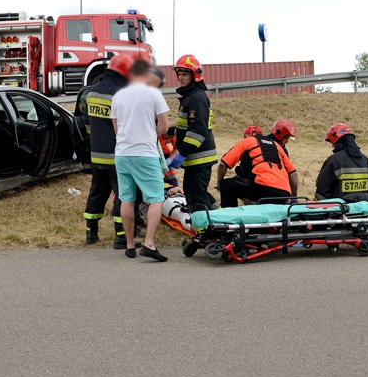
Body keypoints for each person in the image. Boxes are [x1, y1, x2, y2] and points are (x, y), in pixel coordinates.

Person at [110, 59, 171, 262]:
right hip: (144, 152)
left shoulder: (118, 96)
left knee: (126, 199)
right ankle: (149, 244)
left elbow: (117, 130)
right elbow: (164, 126)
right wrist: (149, 133)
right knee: (156, 198)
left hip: (122, 153)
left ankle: (129, 245)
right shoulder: (154, 94)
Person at [83, 53, 134, 249]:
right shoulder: (121, 95)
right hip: (117, 155)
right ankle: (121, 237)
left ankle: (91, 233)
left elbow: (88, 124)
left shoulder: (93, 92)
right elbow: (127, 126)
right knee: (123, 194)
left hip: (97, 154)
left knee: (97, 192)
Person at [169, 54, 217, 212]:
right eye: (179, 74)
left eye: (185, 74)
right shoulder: (190, 97)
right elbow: (185, 127)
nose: (181, 78)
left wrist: (182, 152)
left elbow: (197, 131)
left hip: (200, 157)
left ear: (194, 75)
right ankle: (218, 215)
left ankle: (208, 231)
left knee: (197, 195)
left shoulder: (197, 98)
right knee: (193, 192)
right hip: (195, 157)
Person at [216, 120, 298, 207]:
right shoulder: (278, 147)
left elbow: (222, 164)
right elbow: (293, 174)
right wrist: (294, 199)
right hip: (283, 192)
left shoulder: (248, 141)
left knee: (226, 185)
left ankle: (231, 218)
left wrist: (218, 184)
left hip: (260, 186)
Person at [315, 123, 368, 201]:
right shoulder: (367, 161)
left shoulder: (334, 161)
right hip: (361, 211)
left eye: (332, 144)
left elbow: (322, 192)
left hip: (339, 211)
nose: (332, 147)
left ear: (337, 141)